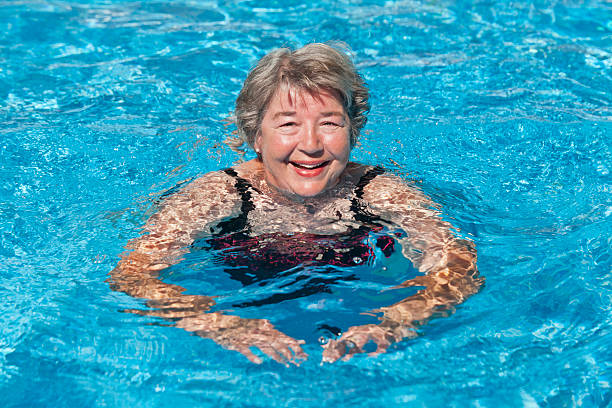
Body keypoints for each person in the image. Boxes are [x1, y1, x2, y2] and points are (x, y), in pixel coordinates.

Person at [109, 43, 483, 366]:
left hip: (358, 307)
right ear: (256, 134)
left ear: (353, 130)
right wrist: (221, 324)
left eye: (330, 124)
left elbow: (457, 264)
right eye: (288, 124)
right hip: (240, 314)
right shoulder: (220, 194)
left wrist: (398, 320)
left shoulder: (377, 191)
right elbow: (134, 275)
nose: (311, 144)